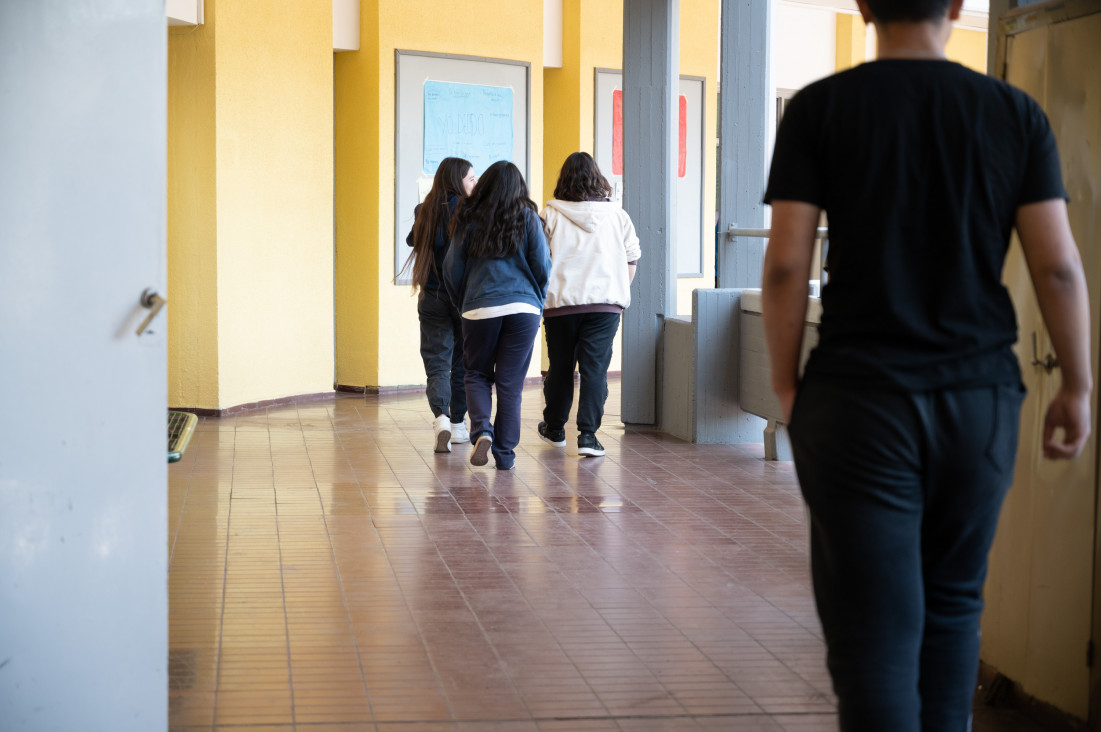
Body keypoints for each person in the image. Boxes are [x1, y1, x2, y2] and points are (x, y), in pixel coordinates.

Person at [760, 0, 1092, 729]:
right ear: (955, 7)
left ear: (862, 4)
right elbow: (1058, 268)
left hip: (856, 400)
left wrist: (787, 383)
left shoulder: (820, 109)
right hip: (977, 400)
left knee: (872, 636)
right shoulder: (1014, 113)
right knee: (951, 617)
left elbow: (786, 264)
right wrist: (1076, 383)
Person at [442, 161, 551, 470]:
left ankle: (482, 431)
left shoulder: (468, 218)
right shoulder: (528, 217)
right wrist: (537, 299)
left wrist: (462, 301)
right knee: (510, 385)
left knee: (475, 373)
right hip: (523, 308)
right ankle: (505, 456)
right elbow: (542, 264)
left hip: (479, 307)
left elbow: (452, 268)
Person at [538, 152, 640, 457]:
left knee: (560, 367)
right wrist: (617, 290)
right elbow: (631, 259)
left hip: (561, 304)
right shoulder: (618, 215)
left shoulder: (549, 215)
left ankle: (555, 429)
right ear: (598, 178)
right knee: (595, 369)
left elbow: (539, 262)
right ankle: (587, 436)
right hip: (605, 305)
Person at [400, 157, 478, 453]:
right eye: (471, 178)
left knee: (437, 363)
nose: (475, 183)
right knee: (462, 362)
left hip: (431, 297)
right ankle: (458, 425)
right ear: (458, 180)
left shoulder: (425, 210)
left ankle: (442, 419)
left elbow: (412, 241)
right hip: (464, 298)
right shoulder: (469, 212)